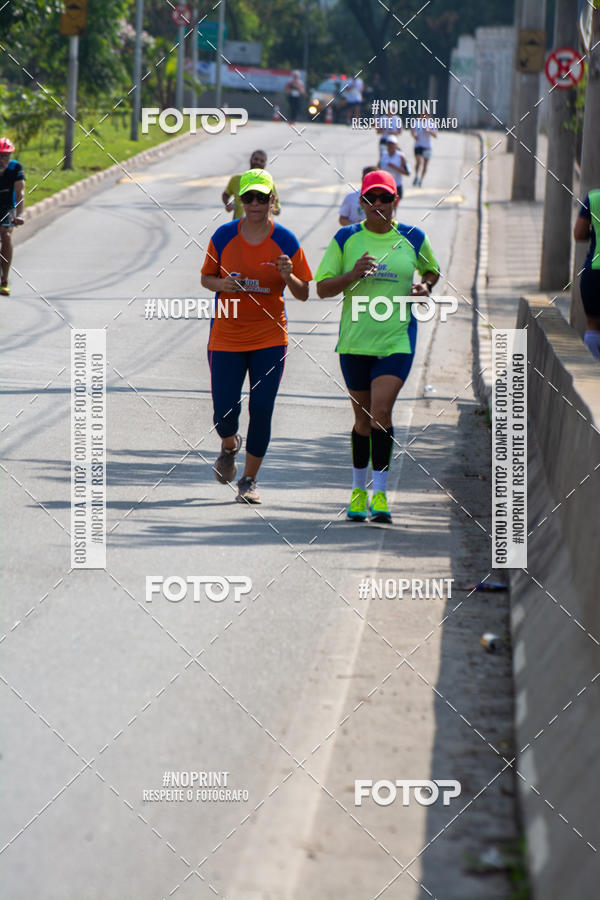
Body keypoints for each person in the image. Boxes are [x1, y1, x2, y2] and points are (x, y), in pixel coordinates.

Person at [315, 169, 439, 523]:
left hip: (396, 339)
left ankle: (380, 494)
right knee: (362, 420)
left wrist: (425, 286)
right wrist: (352, 274)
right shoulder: (346, 238)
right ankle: (358, 491)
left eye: (385, 198)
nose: (378, 204)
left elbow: (431, 271)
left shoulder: (413, 237)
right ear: (361, 203)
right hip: (355, 341)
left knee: (381, 412)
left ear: (396, 201)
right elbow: (322, 289)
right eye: (371, 198)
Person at [201, 169, 312, 504]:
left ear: (272, 200)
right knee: (224, 414)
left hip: (269, 338)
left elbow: (304, 292)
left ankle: (248, 481)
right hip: (226, 336)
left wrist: (288, 276)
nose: (254, 204)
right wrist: (223, 284)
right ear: (240, 200)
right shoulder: (223, 236)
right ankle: (229, 444)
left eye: (261, 198)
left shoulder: (286, 241)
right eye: (248, 197)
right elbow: (206, 278)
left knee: (261, 408)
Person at [574, 188, 600, 360]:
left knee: (593, 325)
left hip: (595, 271)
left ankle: (593, 371)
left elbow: (579, 234)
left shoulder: (594, 197)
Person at [222, 150, 281, 220]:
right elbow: (225, 194)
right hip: (238, 224)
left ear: (265, 164)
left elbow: (277, 209)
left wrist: (267, 210)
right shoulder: (236, 179)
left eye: (261, 198)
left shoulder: (268, 182)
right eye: (247, 198)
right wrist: (228, 204)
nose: (254, 203)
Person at [0, 137, 25, 296]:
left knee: (6, 235)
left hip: (8, 206)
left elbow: (20, 193)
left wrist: (20, 215)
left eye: (6, 156)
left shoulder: (15, 168)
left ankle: (4, 280)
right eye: (0, 156)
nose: (2, 160)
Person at [411, 117, 437, 187]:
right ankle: (416, 175)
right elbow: (412, 131)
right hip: (418, 145)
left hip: (427, 146)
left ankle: (421, 180)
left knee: (425, 165)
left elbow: (435, 135)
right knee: (418, 162)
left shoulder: (431, 124)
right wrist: (414, 136)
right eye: (423, 114)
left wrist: (429, 131)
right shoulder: (416, 122)